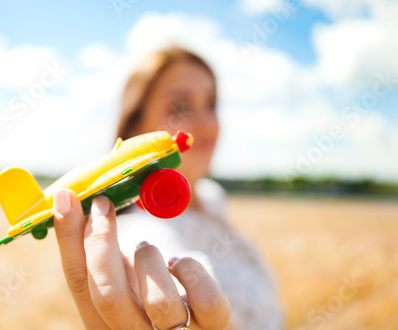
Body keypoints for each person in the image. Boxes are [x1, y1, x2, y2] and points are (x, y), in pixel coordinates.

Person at [52, 47, 283, 330]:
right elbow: (158, 260)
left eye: (211, 103)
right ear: (137, 127)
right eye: (180, 107)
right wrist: (177, 305)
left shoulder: (212, 197)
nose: (206, 123)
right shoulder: (144, 231)